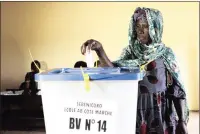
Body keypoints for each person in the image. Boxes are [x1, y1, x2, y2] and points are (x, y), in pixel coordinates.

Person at [81, 7, 189, 134]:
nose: (140, 30)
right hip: (134, 113)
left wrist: (181, 121)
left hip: (160, 114)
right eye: (137, 26)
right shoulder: (130, 52)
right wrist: (100, 50)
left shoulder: (166, 54)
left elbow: (176, 90)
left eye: (145, 26)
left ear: (155, 28)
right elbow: (114, 72)